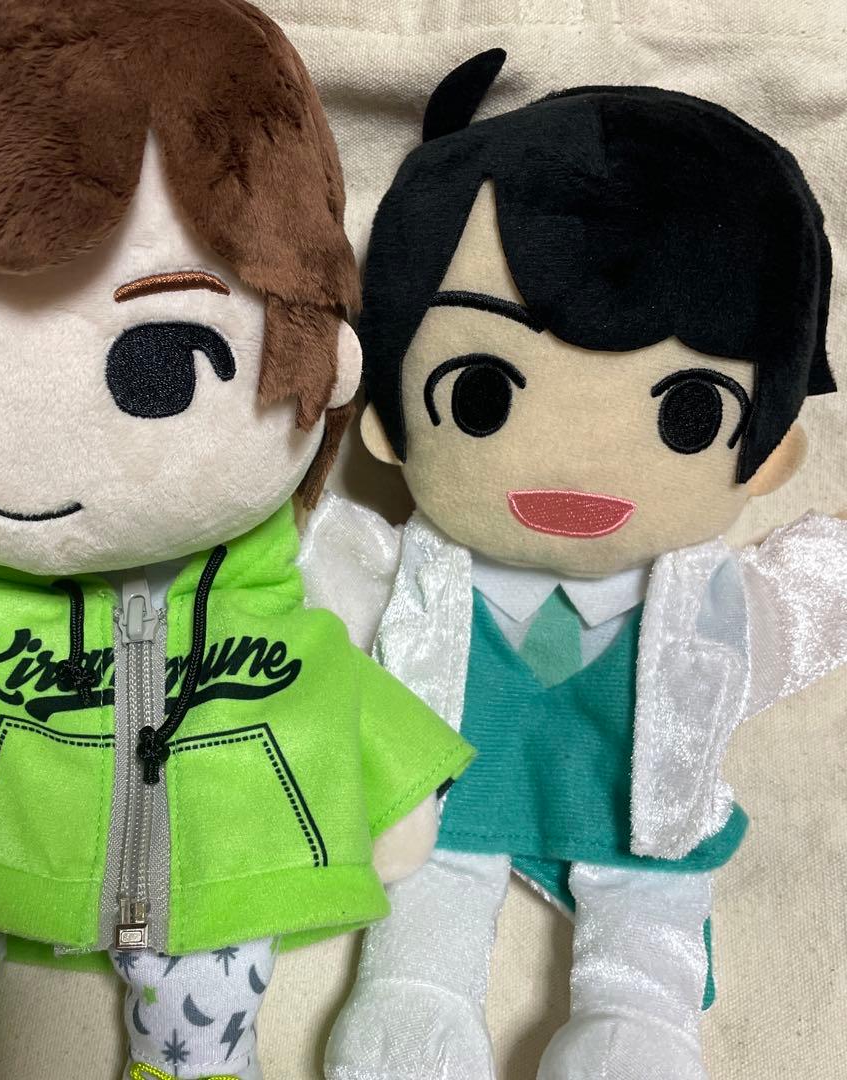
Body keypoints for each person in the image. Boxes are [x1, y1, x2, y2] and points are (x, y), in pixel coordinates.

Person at [0, 5, 473, 1079]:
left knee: (217, 968)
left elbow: (330, 687)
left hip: (214, 857)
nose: (23, 453)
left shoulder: (267, 604)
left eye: (164, 365)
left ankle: (193, 1062)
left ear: (324, 356)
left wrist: (396, 787)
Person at [305, 50, 847, 1080]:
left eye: (690, 414)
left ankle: (639, 1029)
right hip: (447, 816)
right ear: (388, 426)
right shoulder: (417, 578)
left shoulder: (710, 605)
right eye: (479, 396)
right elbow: (311, 565)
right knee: (422, 926)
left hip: (645, 829)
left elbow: (808, 601)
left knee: (648, 938)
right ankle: (413, 1005)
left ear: (770, 453)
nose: (578, 466)